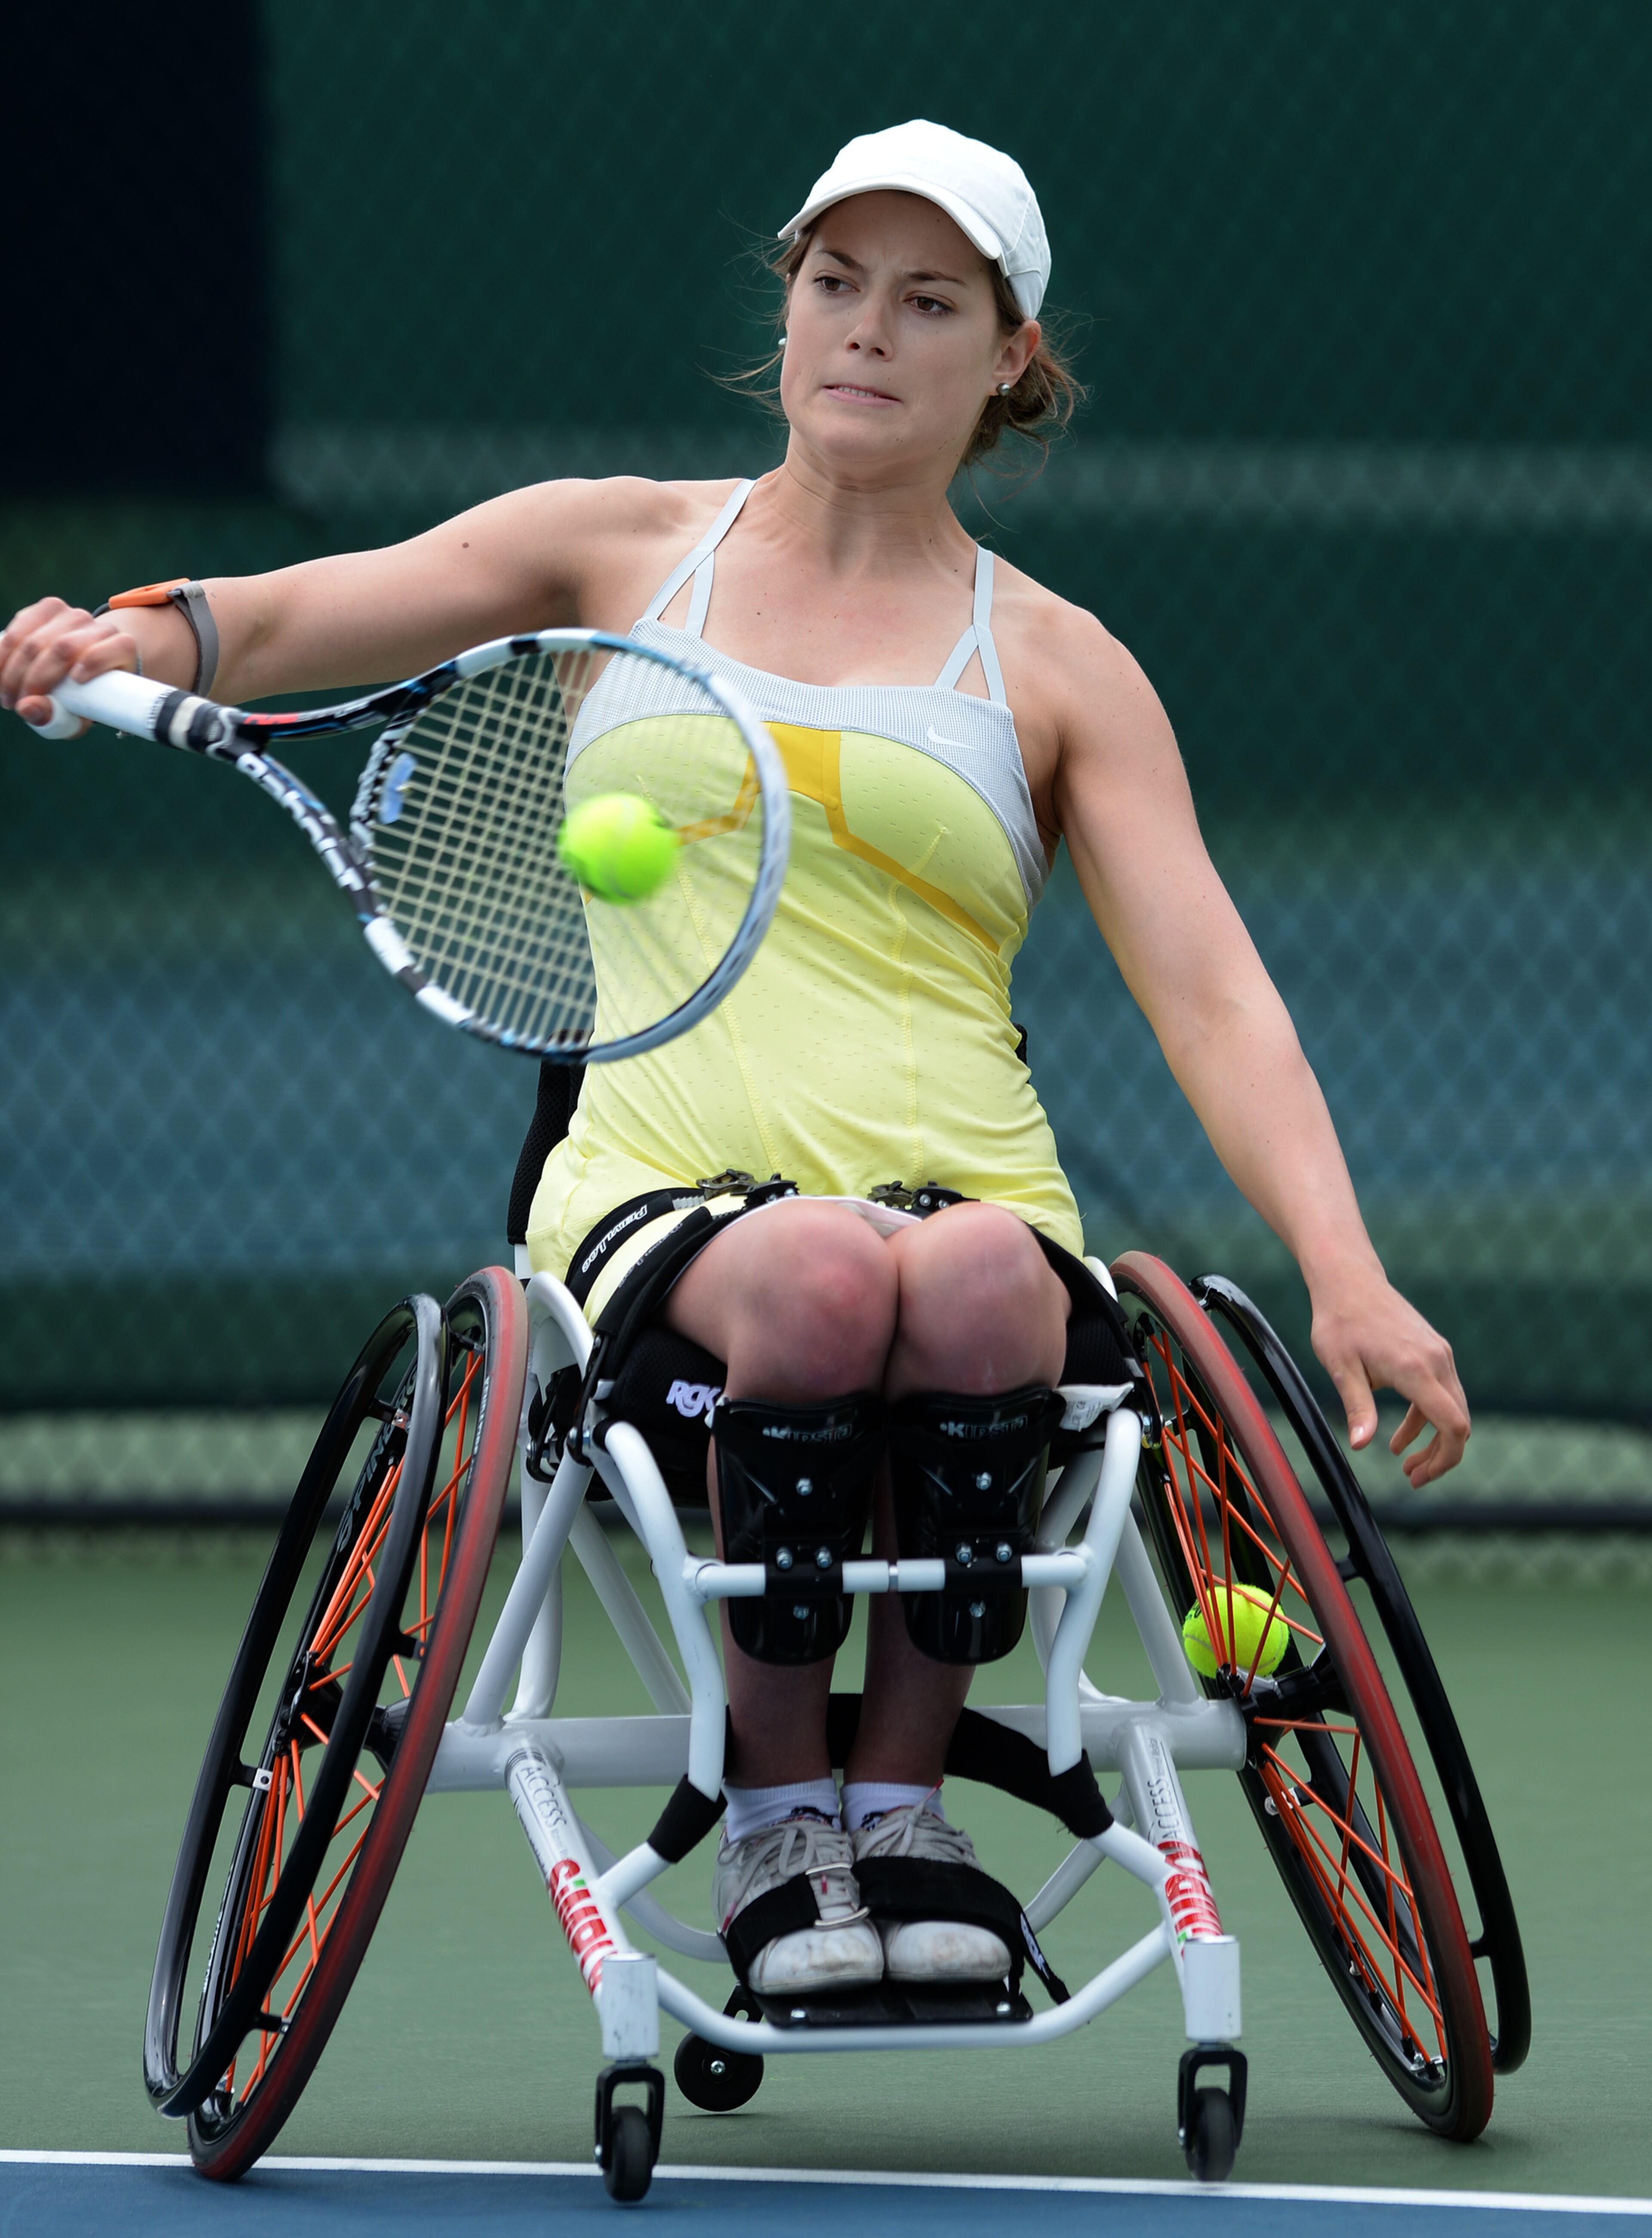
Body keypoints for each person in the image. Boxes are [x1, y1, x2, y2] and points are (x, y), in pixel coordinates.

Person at [1, 119, 1470, 2001]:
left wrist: (1347, 1272)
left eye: (928, 300)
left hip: (980, 1206)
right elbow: (280, 620)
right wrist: (111, 636)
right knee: (820, 1267)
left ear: (1009, 354)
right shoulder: (612, 549)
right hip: (660, 1199)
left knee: (949, 1268)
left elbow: (1213, 993)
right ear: (786, 306)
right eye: (833, 283)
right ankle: (783, 1816)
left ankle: (903, 1806)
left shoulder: (1068, 666)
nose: (867, 330)